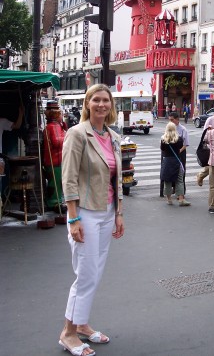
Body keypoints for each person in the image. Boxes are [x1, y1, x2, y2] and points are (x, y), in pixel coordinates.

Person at [59, 84, 124, 356]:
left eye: (105, 100)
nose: (101, 105)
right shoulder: (77, 134)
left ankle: (82, 324)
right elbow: (69, 177)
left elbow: (116, 179)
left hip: (107, 211)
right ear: (87, 104)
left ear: (111, 105)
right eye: (95, 100)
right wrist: (73, 218)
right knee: (85, 275)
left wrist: (119, 213)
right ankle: (68, 333)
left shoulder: (113, 136)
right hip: (84, 211)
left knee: (94, 273)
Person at [43, 100, 67, 213]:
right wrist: (68, 137)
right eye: (61, 114)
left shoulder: (53, 126)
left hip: (54, 159)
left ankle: (56, 200)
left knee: (56, 182)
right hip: (55, 160)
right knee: (56, 182)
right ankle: (54, 202)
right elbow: (57, 142)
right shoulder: (54, 126)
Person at [160, 122, 190, 206]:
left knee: (167, 181)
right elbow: (180, 147)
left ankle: (169, 199)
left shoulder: (163, 139)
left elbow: (162, 149)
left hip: (167, 161)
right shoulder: (179, 139)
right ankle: (181, 199)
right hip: (177, 161)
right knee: (179, 180)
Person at [168, 111, 189, 194]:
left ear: (177, 120)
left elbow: (186, 144)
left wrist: (179, 151)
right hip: (171, 153)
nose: (170, 122)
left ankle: (181, 191)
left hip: (180, 152)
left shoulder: (183, 129)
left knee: (181, 171)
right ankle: (174, 188)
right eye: (169, 120)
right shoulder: (169, 129)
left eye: (172, 120)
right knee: (172, 171)